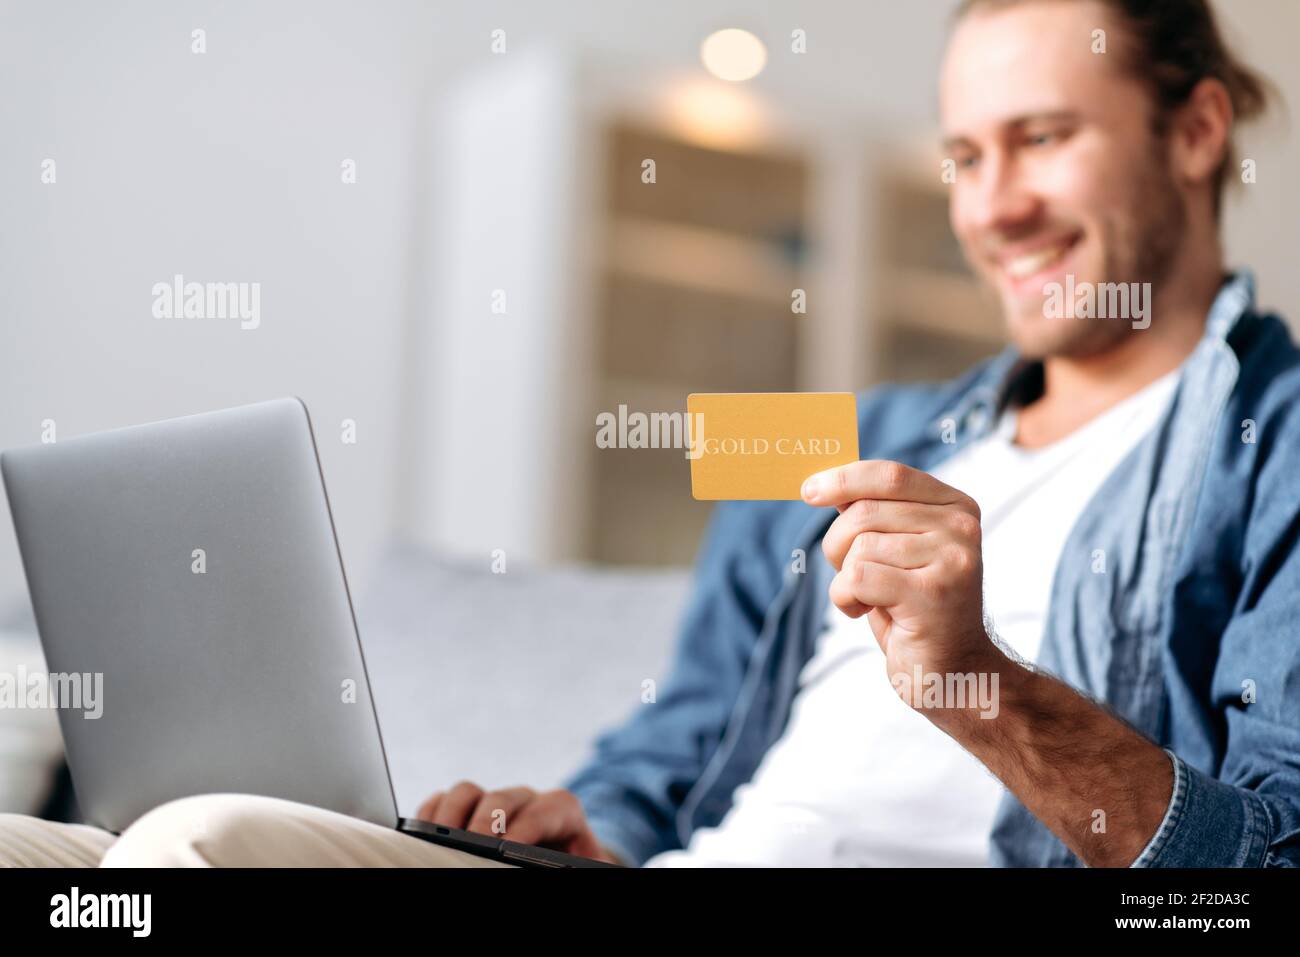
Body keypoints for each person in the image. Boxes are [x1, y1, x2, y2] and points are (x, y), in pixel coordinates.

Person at [3, 0, 1295, 868]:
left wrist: (982, 680)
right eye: (962, 156)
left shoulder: (1276, 443)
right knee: (50, 849)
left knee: (204, 843)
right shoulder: (833, 433)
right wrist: (596, 821)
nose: (992, 206)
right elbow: (670, 733)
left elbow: (1265, 862)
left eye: (1044, 139)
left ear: (1194, 132)